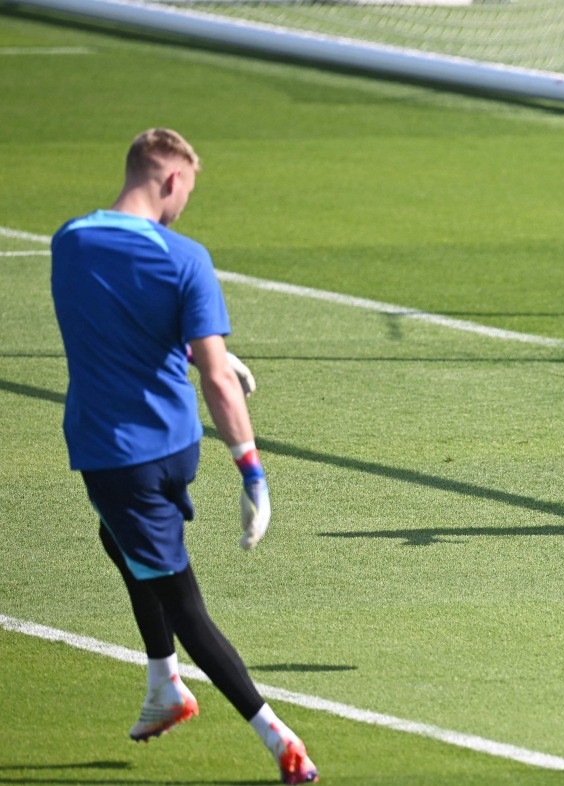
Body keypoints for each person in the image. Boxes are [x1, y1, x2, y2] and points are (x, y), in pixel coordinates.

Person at [50, 128, 319, 784]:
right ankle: (162, 681)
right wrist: (251, 469)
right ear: (171, 180)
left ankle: (280, 739)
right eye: (187, 192)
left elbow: (110, 318)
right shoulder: (186, 258)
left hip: (116, 456)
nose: (183, 207)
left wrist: (217, 364)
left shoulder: (68, 243)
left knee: (185, 604)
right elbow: (211, 375)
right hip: (175, 449)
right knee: (121, 544)